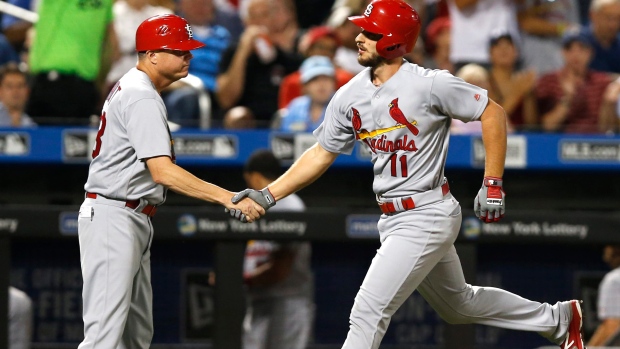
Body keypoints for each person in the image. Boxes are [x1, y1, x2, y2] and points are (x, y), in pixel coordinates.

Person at [227, 1, 586, 349]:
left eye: (369, 31)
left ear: (393, 39)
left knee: (367, 313)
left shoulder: (430, 84)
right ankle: (557, 320)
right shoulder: (349, 95)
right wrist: (268, 194)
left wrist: (492, 183)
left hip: (426, 211)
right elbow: (321, 153)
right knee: (459, 306)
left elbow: (492, 114)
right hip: (394, 216)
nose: (359, 37)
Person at [77, 14, 264, 349]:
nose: (188, 56)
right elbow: (163, 172)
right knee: (103, 339)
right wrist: (227, 197)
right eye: (179, 51)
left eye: (188, 50)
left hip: (130, 215)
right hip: (114, 214)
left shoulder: (139, 88)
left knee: (136, 337)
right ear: (151, 55)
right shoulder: (141, 94)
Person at [241, 149, 314, 349]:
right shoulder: (258, 205)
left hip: (288, 301)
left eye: (248, 181)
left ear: (255, 177)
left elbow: (281, 267)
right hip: (260, 300)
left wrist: (236, 280)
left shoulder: (289, 205)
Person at [25, 0, 120, 126]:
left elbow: (112, 48)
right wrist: (101, 83)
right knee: (79, 142)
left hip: (50, 85)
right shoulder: (105, 3)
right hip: (85, 87)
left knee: (41, 141)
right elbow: (112, 48)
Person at [215, 0, 303, 128]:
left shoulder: (288, 58)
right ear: (245, 22)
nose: (258, 22)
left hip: (279, 121)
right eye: (253, 17)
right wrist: (243, 51)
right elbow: (226, 100)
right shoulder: (232, 52)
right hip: (244, 122)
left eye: (264, 15)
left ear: (274, 20)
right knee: (238, 115)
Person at [536, 29, 612, 133]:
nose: (575, 54)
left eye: (581, 48)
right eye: (569, 48)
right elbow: (546, 126)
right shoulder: (548, 81)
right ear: (562, 52)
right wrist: (567, 99)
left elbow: (608, 129)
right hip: (557, 143)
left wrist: (609, 102)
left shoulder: (602, 82)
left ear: (590, 52)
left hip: (596, 142)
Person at [487, 32, 538, 131]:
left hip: (521, 140)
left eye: (509, 45)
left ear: (516, 52)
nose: (504, 49)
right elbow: (492, 119)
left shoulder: (523, 81)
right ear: (490, 53)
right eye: (498, 46)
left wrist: (528, 94)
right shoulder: (484, 81)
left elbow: (532, 124)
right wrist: (518, 93)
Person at [276, 56, 336, 132]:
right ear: (305, 86)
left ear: (334, 83)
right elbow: (285, 136)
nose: (321, 84)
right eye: (314, 79)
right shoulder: (296, 107)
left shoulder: (343, 107)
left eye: (326, 79)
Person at [588, 244, 620, 346]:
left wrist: (592, 347)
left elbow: (612, 323)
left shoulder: (613, 280)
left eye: (609, 255)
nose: (605, 259)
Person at [580, 0, 620, 74]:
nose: (613, 25)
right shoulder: (578, 43)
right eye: (608, 17)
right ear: (592, 15)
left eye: (617, 18)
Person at [0, 63, 35, 127]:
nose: (15, 91)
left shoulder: (30, 126)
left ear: (27, 91)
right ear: (0, 91)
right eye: (10, 86)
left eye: (20, 86)